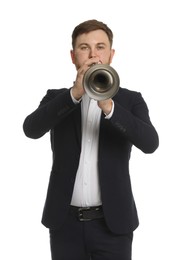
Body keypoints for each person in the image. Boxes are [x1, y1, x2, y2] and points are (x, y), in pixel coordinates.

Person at [23, 19, 159, 260]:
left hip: (113, 225)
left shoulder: (130, 100)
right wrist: (74, 94)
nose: (93, 54)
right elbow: (31, 129)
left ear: (111, 55)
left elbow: (150, 143)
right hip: (65, 225)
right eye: (84, 47)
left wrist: (109, 106)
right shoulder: (56, 98)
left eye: (100, 47)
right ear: (73, 56)